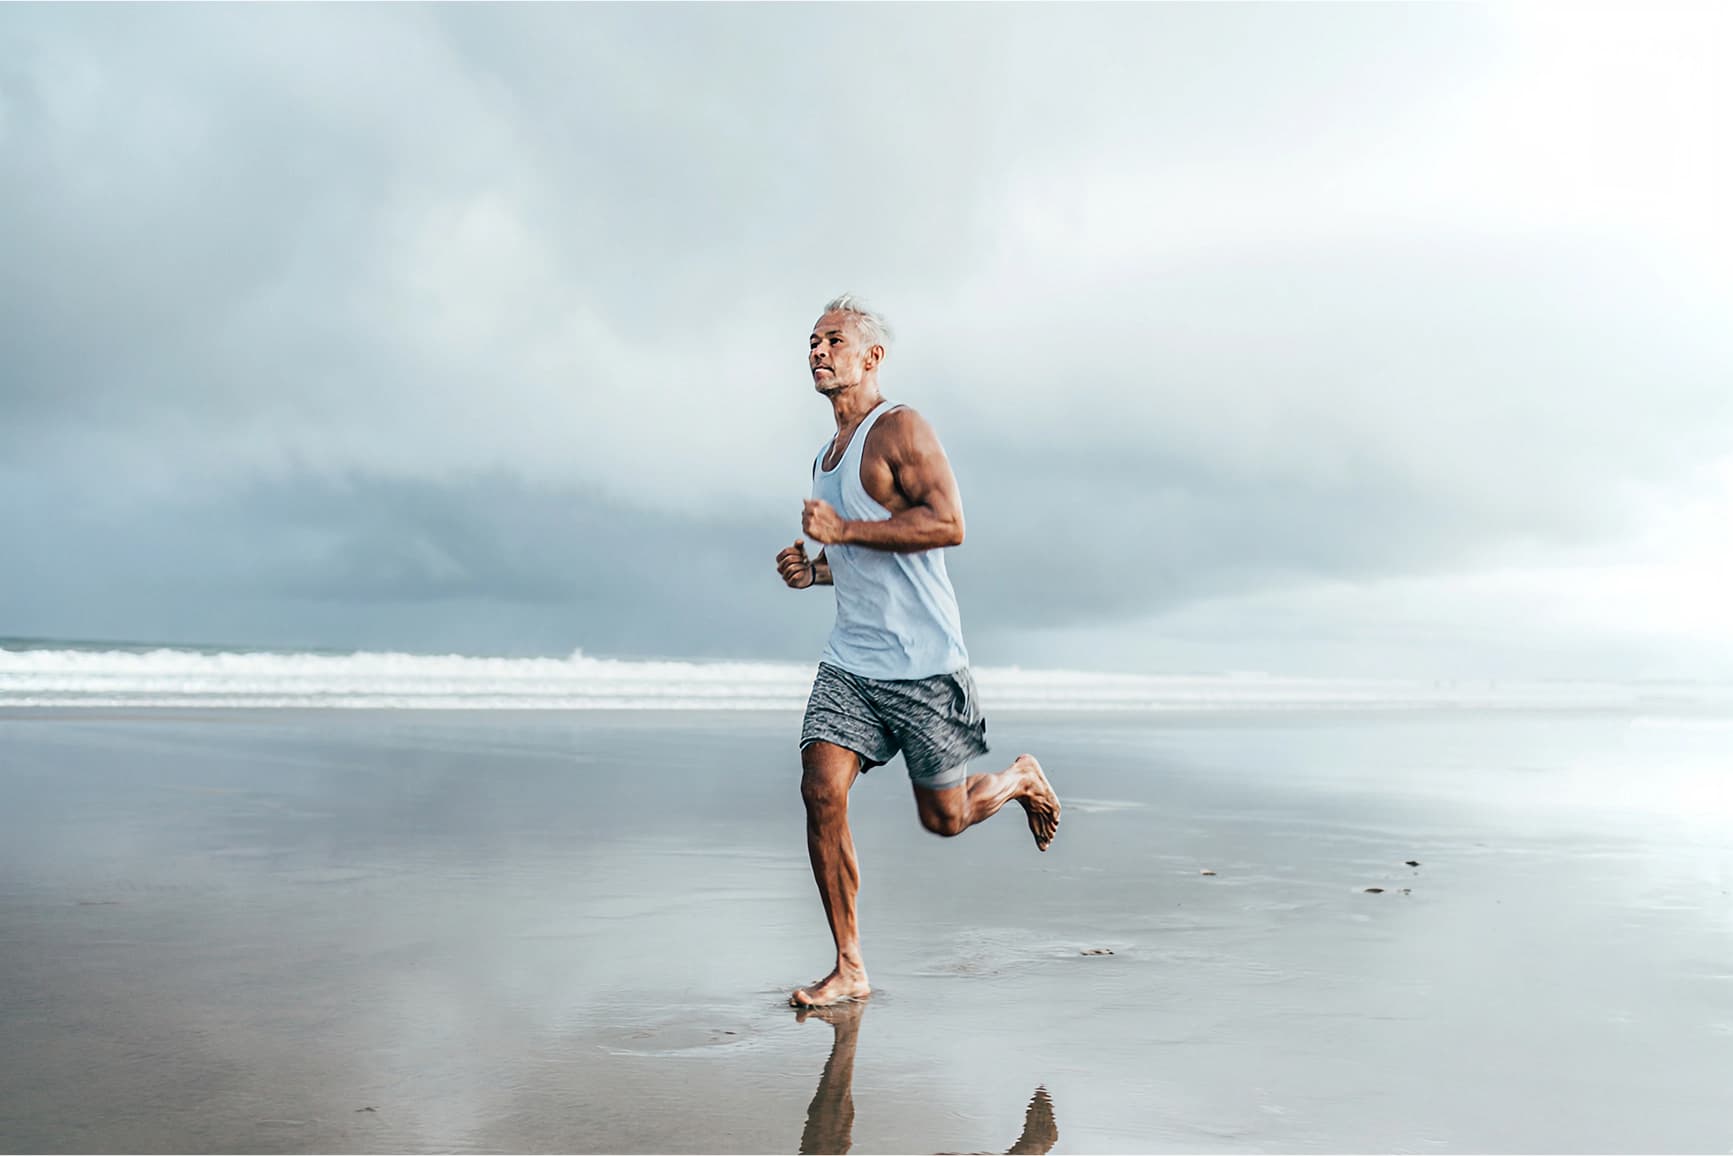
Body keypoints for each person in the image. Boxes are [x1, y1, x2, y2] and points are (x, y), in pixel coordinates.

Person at [774, 294, 1061, 1009]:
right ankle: (849, 966)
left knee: (946, 819)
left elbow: (946, 524)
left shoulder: (900, 429)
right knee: (820, 789)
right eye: (811, 342)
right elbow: (867, 557)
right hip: (852, 664)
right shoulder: (824, 456)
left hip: (924, 668)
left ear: (871, 357)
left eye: (832, 340)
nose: (817, 352)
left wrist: (840, 531)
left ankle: (1020, 777)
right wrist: (816, 571)